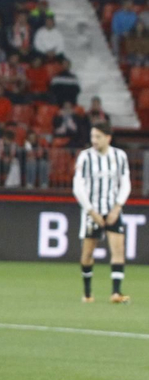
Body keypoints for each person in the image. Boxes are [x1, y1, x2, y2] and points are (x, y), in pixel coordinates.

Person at [73, 121, 132, 304]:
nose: (94, 140)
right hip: (92, 212)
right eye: (92, 137)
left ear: (108, 138)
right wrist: (91, 211)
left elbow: (126, 183)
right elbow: (78, 187)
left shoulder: (119, 156)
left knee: (118, 249)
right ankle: (88, 292)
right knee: (88, 253)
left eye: (98, 137)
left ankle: (116, 292)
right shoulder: (85, 157)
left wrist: (118, 207)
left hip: (112, 210)